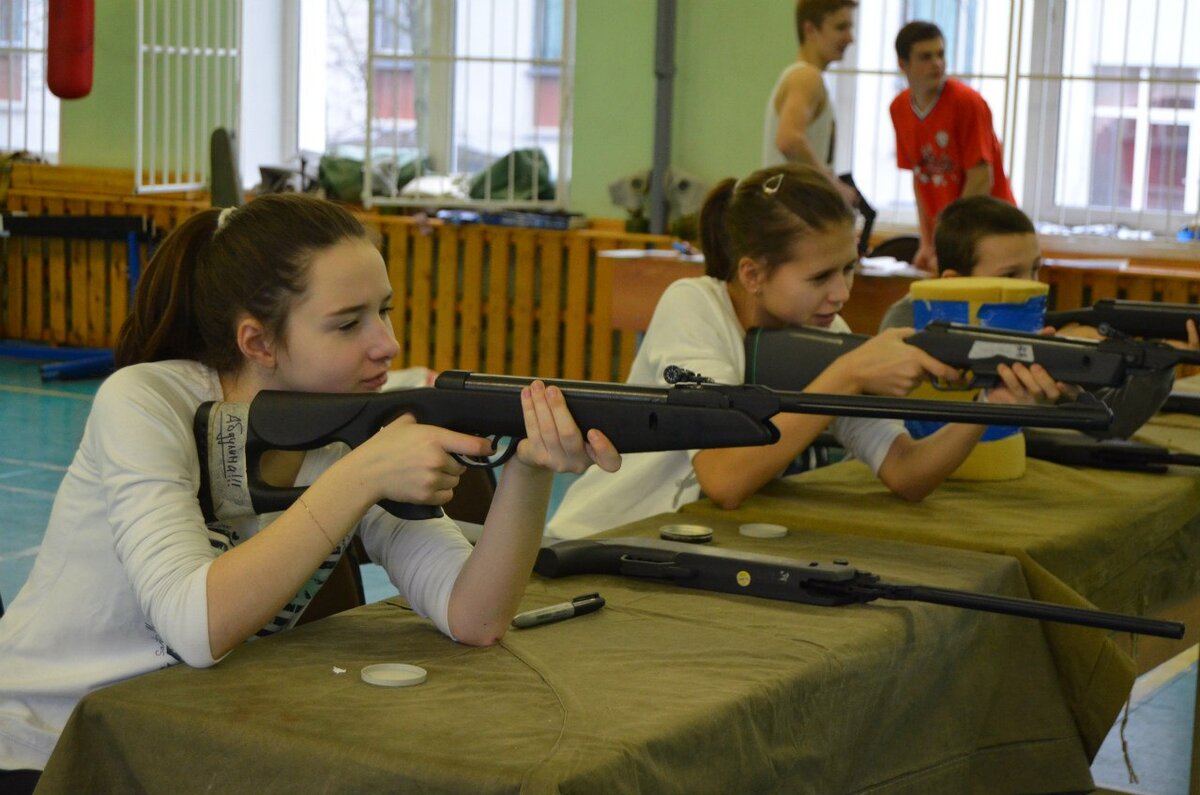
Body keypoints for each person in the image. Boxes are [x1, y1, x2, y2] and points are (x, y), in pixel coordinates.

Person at [0, 194, 620, 788]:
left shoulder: (348, 424)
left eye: (386, 310)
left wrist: (530, 470)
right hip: (43, 747)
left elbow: (474, 616)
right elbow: (194, 624)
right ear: (258, 343)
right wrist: (358, 477)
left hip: (177, 745)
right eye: (348, 323)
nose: (387, 344)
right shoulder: (144, 401)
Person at [545, 164, 1060, 540]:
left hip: (678, 548)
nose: (841, 294)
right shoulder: (694, 305)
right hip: (597, 539)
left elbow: (907, 473)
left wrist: (990, 408)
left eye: (849, 269)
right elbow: (723, 478)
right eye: (819, 277)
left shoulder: (822, 330)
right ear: (752, 273)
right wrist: (848, 375)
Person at [878, 194, 1197, 438]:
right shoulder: (907, 322)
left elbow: (1113, 421)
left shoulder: (1035, 327)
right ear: (953, 283)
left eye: (1035, 269)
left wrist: (1160, 362)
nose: (1033, 287)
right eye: (1012, 275)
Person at [890, 20, 1015, 272]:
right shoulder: (898, 108)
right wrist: (927, 243)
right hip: (949, 233)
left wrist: (948, 243)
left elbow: (980, 179)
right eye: (926, 57)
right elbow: (920, 177)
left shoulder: (967, 102)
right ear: (903, 65)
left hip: (988, 229)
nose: (937, 63)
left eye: (940, 54)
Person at [763, 0, 859, 206]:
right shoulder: (807, 77)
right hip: (790, 212)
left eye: (850, 28)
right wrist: (833, 185)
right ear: (810, 29)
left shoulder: (805, 77)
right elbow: (788, 139)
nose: (850, 38)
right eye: (841, 27)